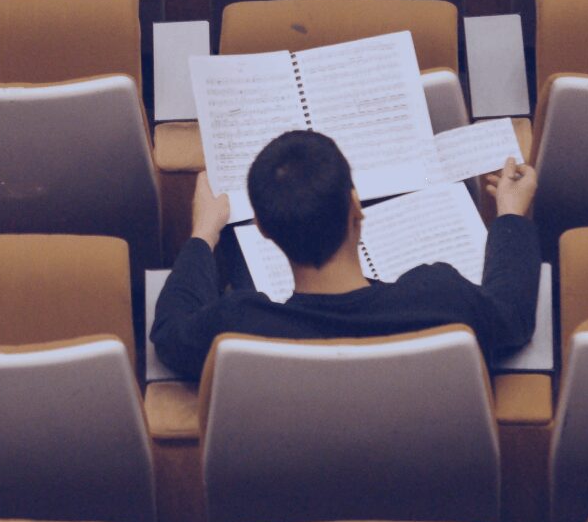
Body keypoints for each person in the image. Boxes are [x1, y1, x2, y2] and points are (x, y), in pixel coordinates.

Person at [151, 129, 541, 379]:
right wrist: (509, 213)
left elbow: (169, 333)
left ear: (263, 229)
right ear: (356, 207)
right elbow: (512, 316)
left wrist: (204, 232)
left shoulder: (239, 328)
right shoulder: (442, 299)